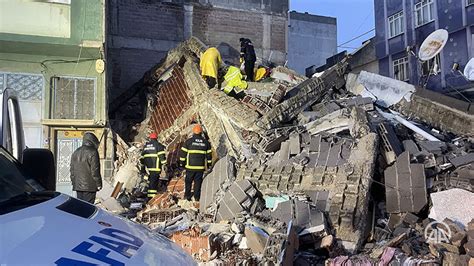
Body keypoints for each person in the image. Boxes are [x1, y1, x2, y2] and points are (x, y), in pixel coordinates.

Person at [179, 124, 212, 201]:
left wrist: (181, 164)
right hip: (200, 167)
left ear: (193, 132)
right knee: (198, 183)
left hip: (190, 167)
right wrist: (209, 165)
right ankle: (197, 197)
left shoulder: (188, 142)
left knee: (188, 182)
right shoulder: (206, 143)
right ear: (201, 133)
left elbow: (183, 154)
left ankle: (187, 196)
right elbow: (209, 156)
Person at [70, 132, 102, 204]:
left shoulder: (76, 152)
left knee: (81, 206)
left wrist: (74, 183)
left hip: (78, 186)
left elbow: (72, 170)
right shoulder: (93, 152)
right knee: (88, 207)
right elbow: (95, 170)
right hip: (90, 186)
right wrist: (98, 184)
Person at [141, 132, 167, 201]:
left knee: (151, 181)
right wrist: (165, 164)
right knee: (153, 183)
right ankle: (152, 198)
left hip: (148, 168)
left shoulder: (145, 146)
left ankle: (150, 196)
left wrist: (142, 169)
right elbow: (162, 157)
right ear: (156, 138)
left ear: (150, 138)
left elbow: (142, 159)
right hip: (155, 167)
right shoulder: (158, 145)